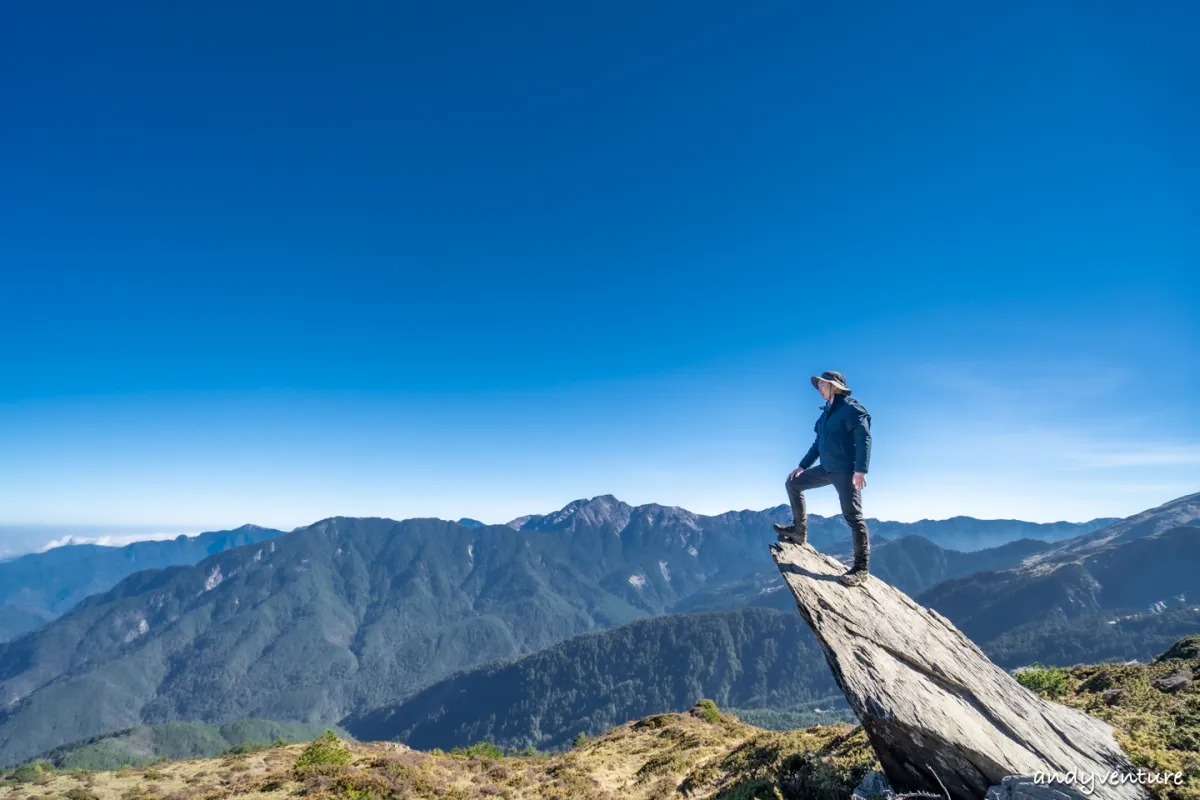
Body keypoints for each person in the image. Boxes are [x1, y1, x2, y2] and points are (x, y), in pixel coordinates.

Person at [773, 370, 872, 586]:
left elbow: (864, 439)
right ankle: (799, 532)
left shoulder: (852, 410)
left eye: (822, 385)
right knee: (793, 483)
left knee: (853, 516)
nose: (819, 389)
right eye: (818, 385)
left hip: (846, 472)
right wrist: (802, 466)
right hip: (826, 468)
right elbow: (817, 445)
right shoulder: (826, 414)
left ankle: (861, 568)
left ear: (835, 387)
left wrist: (860, 470)